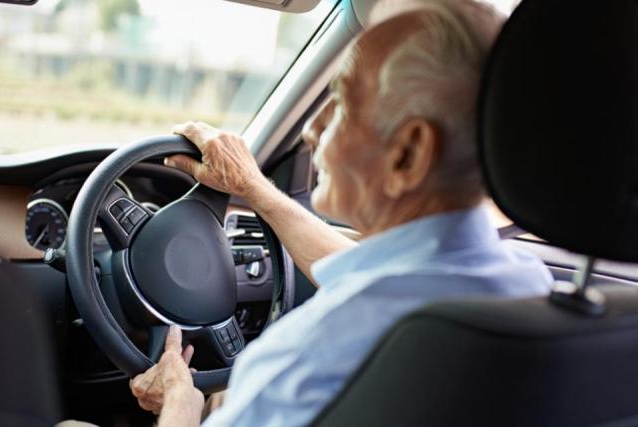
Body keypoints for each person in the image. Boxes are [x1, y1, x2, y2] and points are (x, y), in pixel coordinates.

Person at [129, 0, 552, 426]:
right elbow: (369, 274)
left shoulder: (314, 353)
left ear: (409, 153)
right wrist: (252, 188)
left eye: (343, 103)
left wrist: (182, 402)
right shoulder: (529, 288)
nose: (313, 128)